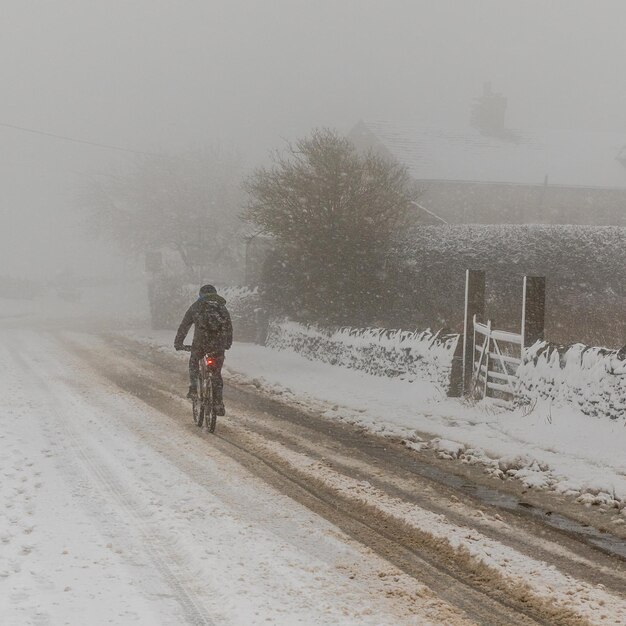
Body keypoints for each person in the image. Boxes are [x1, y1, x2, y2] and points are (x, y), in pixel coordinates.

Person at [174, 284, 233, 415]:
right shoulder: (222, 308)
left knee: (194, 362)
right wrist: (227, 344)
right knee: (216, 374)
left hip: (201, 344)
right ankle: (218, 403)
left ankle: (194, 389)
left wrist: (178, 343)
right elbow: (229, 327)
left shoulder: (196, 307)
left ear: (200, 295)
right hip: (218, 345)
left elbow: (184, 326)